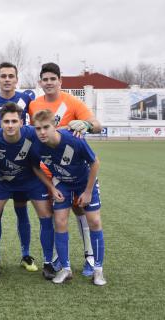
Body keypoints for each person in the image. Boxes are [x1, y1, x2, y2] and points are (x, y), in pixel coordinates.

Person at [28, 62, 102, 276]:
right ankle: (59, 258)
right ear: (40, 82)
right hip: (50, 170)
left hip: (75, 168)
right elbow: (33, 131)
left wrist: (87, 125)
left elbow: (96, 124)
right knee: (54, 214)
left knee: (81, 209)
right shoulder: (34, 104)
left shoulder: (72, 102)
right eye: (45, 79)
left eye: (53, 79)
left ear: (60, 81)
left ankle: (89, 256)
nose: (49, 82)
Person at [31, 109, 106, 286]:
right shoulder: (37, 144)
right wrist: (51, 186)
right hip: (62, 183)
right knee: (60, 222)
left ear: (55, 126)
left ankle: (98, 270)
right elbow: (35, 167)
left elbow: (95, 162)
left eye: (46, 127)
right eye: (38, 128)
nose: (42, 132)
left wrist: (87, 192)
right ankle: (66, 269)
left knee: (94, 221)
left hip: (84, 182)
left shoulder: (73, 139)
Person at [0, 102, 55, 280]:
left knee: (45, 216)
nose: (10, 125)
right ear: (0, 123)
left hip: (30, 181)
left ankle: (46, 263)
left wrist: (79, 126)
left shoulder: (32, 133)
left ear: (21, 122)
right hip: (3, 182)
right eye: (6, 121)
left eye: (14, 121)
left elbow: (54, 132)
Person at [0, 62, 38, 272]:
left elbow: (38, 124)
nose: (7, 79)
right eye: (3, 76)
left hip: (23, 173)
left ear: (16, 78)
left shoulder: (27, 99)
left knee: (22, 211)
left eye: (10, 76)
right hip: (0, 172)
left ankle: (26, 255)